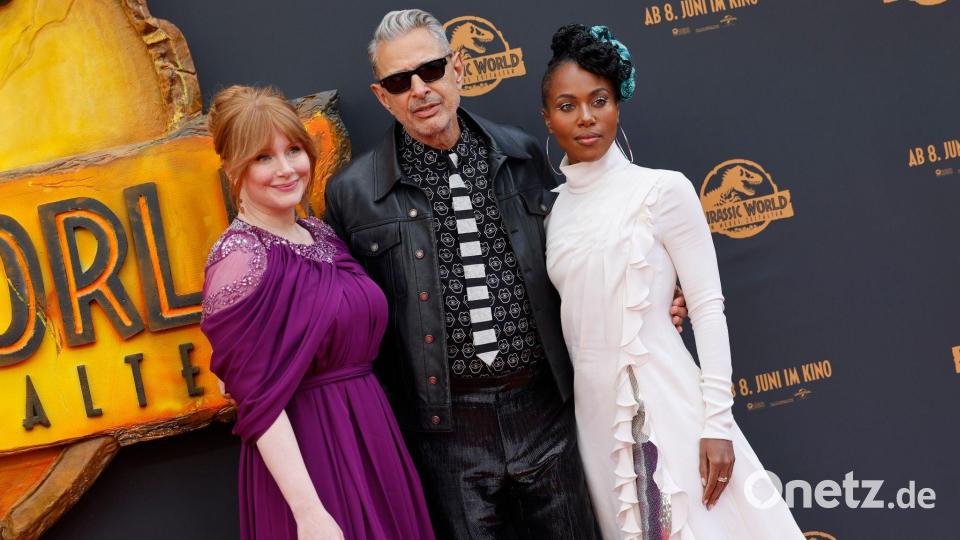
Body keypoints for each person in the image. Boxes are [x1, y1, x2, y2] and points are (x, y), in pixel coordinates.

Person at [324, 10, 688, 539]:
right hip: (447, 432)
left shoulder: (521, 155)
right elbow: (353, 317)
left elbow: (585, 248)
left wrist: (654, 298)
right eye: (401, 82)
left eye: (431, 70)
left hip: (548, 412)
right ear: (384, 97)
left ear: (459, 69)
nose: (420, 90)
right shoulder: (354, 194)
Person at [541, 25, 805, 540]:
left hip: (671, 409)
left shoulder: (663, 191)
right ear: (547, 118)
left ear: (618, 105)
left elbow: (706, 307)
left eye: (599, 100)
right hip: (595, 424)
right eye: (567, 105)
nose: (586, 117)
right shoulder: (551, 213)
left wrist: (717, 425)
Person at [199, 85, 434, 540]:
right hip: (311, 464)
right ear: (233, 168)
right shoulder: (239, 258)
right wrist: (309, 513)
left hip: (373, 437)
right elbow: (257, 403)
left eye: (292, 150)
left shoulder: (319, 232)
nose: (286, 169)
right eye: (263, 158)